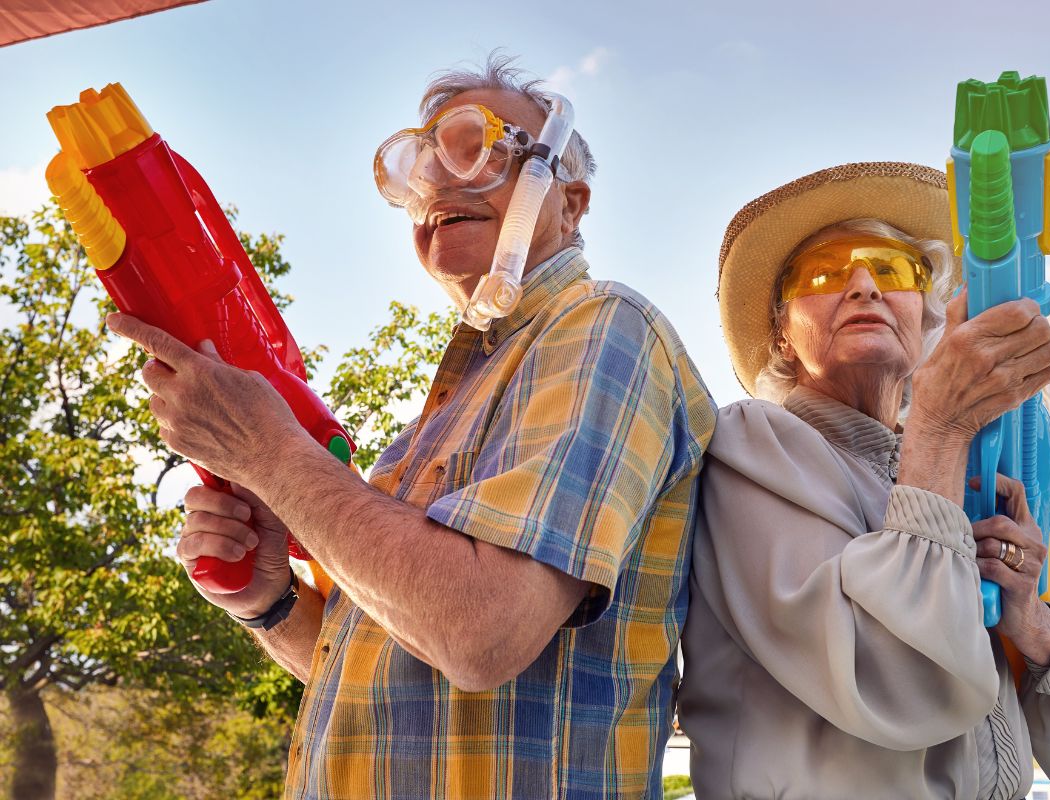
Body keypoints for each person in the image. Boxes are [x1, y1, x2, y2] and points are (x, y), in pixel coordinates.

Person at [109, 53, 715, 799]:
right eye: (421, 163)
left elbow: (480, 632)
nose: (439, 181)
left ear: (571, 202)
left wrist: (268, 453)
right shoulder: (435, 419)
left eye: (479, 147)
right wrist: (271, 604)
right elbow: (387, 671)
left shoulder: (606, 329)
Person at [678, 162, 1050, 799]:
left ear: (927, 318)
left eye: (894, 269)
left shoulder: (948, 470)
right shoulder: (752, 441)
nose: (864, 286)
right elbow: (894, 684)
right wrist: (942, 427)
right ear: (783, 336)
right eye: (824, 273)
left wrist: (1028, 619)